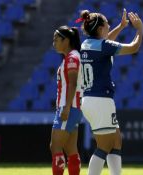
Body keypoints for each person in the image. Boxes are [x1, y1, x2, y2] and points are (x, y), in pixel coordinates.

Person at [78, 9, 143, 175]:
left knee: (116, 141)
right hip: (100, 100)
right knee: (104, 146)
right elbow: (133, 47)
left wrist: (121, 27)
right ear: (100, 28)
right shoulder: (103, 46)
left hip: (91, 99)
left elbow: (105, 42)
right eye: (107, 24)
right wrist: (139, 29)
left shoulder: (86, 44)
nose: (109, 26)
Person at [50, 25, 83, 175]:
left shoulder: (72, 58)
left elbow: (73, 83)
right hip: (74, 108)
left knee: (55, 146)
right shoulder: (73, 56)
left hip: (68, 108)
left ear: (66, 40)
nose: (54, 43)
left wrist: (67, 107)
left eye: (56, 39)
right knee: (71, 150)